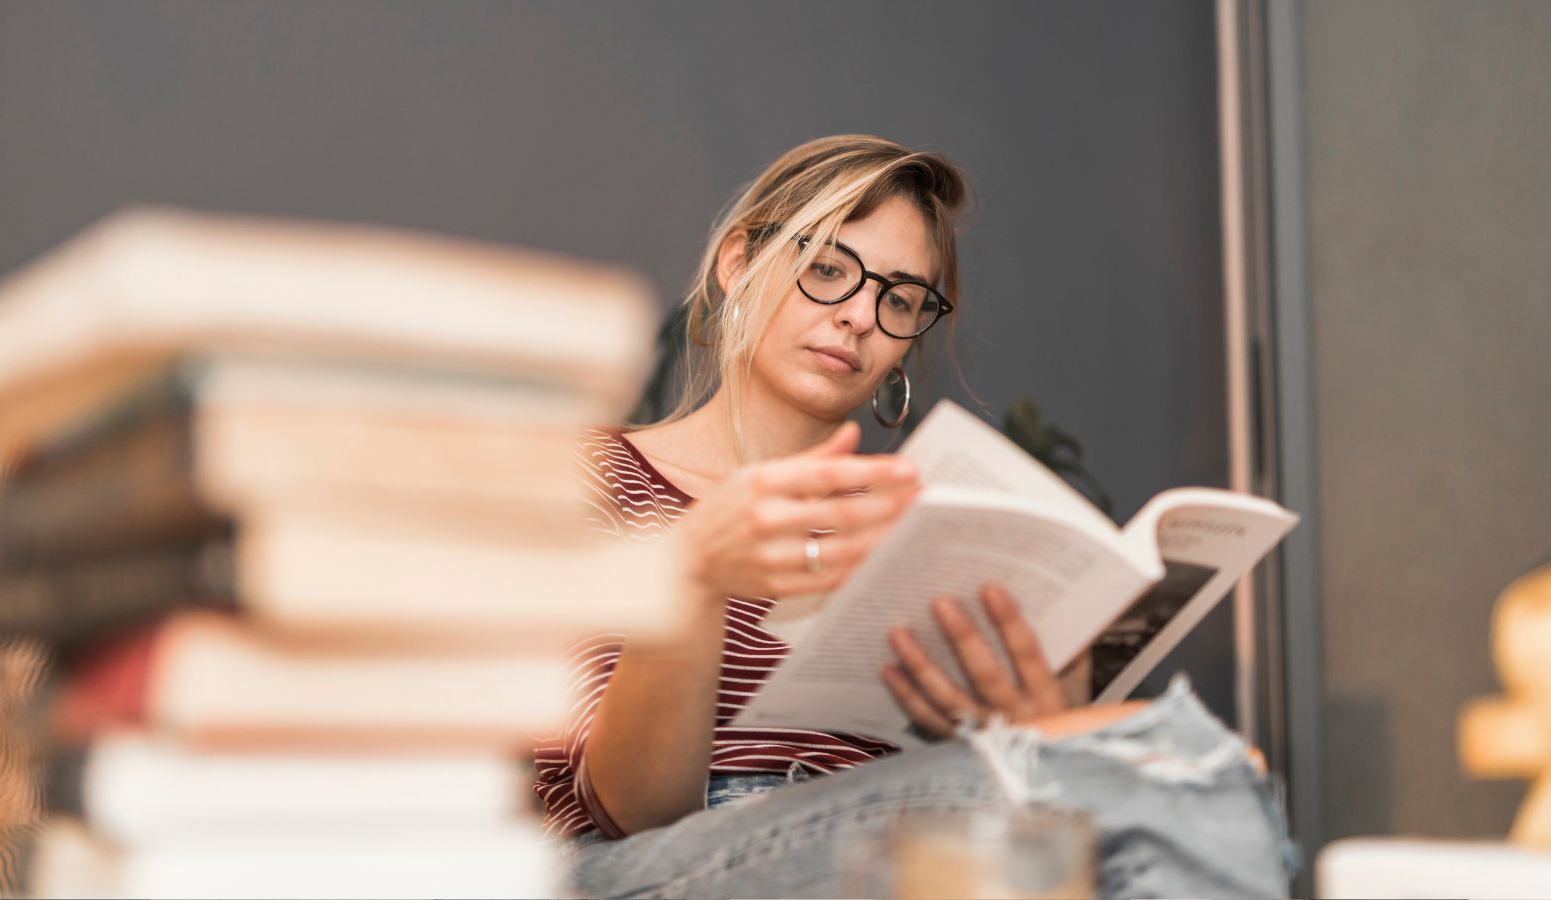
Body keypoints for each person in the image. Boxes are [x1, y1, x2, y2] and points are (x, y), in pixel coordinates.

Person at [533, 135, 1291, 898]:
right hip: (646, 864)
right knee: (1182, 776)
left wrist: (1032, 726)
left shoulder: (921, 526)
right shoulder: (589, 473)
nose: (861, 315)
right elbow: (631, 812)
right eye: (828, 269)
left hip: (892, 849)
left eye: (898, 299)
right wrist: (694, 581)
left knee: (1173, 775)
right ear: (738, 263)